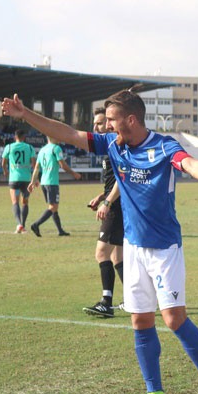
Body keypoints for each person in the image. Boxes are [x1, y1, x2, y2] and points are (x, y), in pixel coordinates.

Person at [2, 89, 198, 394]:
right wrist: (27, 115)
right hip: (134, 246)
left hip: (164, 248)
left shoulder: (163, 146)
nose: (105, 126)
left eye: (110, 120)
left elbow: (190, 164)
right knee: (140, 319)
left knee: (174, 319)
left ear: (131, 120)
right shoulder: (112, 145)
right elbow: (68, 133)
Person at [83, 108, 126, 319]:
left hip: (116, 207)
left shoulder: (114, 148)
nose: (96, 127)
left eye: (100, 123)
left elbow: (122, 178)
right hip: (114, 203)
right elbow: (113, 181)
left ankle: (106, 303)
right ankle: (135, 298)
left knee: (102, 253)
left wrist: (107, 202)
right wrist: (102, 196)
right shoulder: (108, 148)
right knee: (117, 256)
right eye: (95, 124)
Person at [27, 136, 81, 236]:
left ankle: (60, 231)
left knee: (53, 207)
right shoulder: (56, 148)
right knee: (53, 207)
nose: (59, 137)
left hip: (44, 182)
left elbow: (36, 168)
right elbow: (63, 165)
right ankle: (36, 224)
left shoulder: (42, 150)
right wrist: (74, 173)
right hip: (52, 182)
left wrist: (32, 181)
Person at [1, 130, 36, 233]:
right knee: (25, 202)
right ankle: (23, 225)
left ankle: (19, 224)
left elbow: (3, 162)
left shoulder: (9, 147)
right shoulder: (29, 147)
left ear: (15, 136)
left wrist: (5, 171)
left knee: (15, 202)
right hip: (26, 180)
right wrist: (35, 179)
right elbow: (34, 165)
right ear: (24, 137)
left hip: (14, 179)